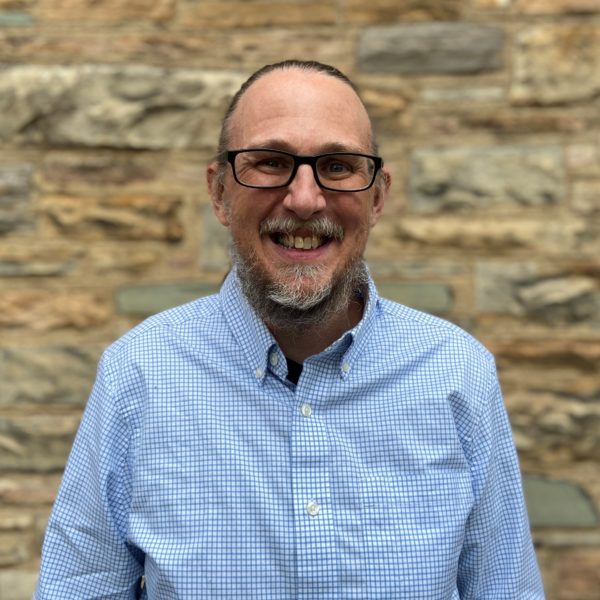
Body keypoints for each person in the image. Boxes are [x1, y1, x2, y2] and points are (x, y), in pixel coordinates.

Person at [35, 60, 545, 599]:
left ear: (377, 197)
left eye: (338, 165)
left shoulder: (457, 374)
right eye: (271, 162)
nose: (304, 199)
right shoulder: (139, 375)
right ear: (219, 192)